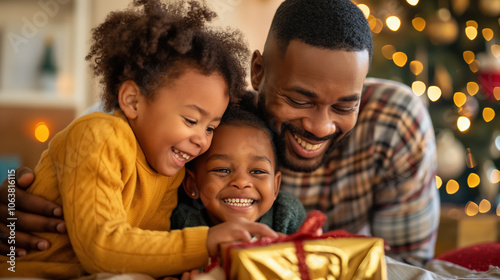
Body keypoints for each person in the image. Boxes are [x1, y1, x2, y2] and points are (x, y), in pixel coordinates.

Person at [0, 0, 439, 268]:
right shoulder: (206, 117)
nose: (321, 125)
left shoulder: (394, 121)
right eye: (301, 100)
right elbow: (98, 138)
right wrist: (15, 199)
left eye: (345, 105)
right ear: (258, 71)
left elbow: (406, 264)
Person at [0, 0, 278, 278]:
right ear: (133, 100)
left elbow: (147, 249)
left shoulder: (170, 171)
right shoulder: (98, 135)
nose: (201, 141)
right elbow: (101, 248)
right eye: (191, 121)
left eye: (210, 128)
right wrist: (206, 242)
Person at [171, 102, 306, 235]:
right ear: (191, 184)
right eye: (222, 170)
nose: (241, 182)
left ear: (276, 187)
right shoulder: (182, 224)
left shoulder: (288, 215)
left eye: (258, 171)